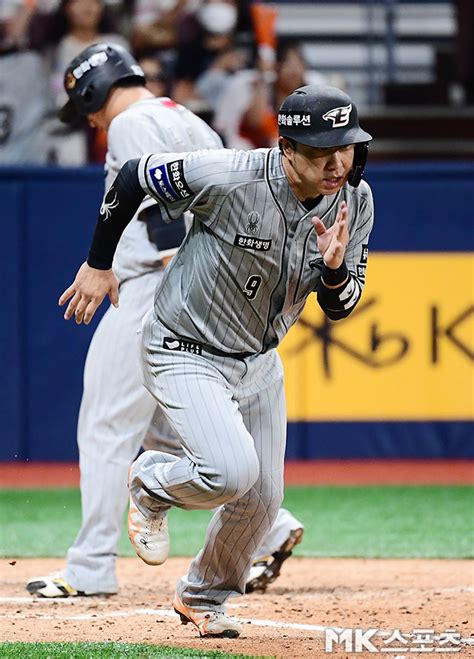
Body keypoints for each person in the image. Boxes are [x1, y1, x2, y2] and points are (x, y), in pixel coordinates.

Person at [58, 82, 373, 638]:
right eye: (323, 150)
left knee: (263, 497)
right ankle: (152, 478)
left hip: (258, 359)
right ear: (287, 148)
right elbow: (133, 177)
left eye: (345, 146)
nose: (337, 161)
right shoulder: (232, 174)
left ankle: (204, 595)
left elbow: (341, 305)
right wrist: (98, 263)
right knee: (229, 471)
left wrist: (332, 271)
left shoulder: (355, 200)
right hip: (184, 344)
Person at [26, 42, 304, 601]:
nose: (89, 118)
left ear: (92, 88)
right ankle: (268, 526)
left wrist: (145, 269)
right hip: (198, 290)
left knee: (106, 427)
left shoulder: (130, 121)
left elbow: (157, 210)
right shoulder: (193, 121)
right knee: (168, 430)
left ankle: (90, 566)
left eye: (85, 105)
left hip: (155, 287)